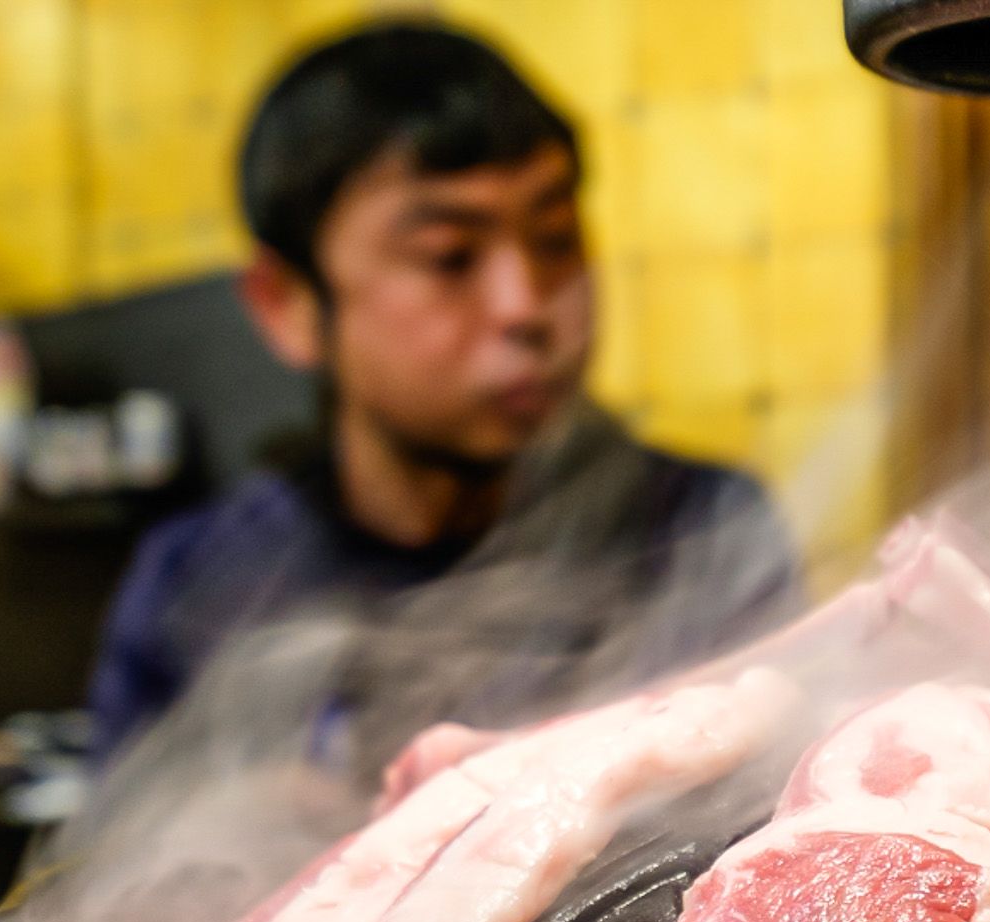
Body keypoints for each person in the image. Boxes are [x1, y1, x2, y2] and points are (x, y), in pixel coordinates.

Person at [87, 20, 797, 765]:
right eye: (449, 257)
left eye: (555, 238)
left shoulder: (703, 531)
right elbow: (121, 875)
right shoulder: (203, 585)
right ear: (286, 304)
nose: (525, 306)